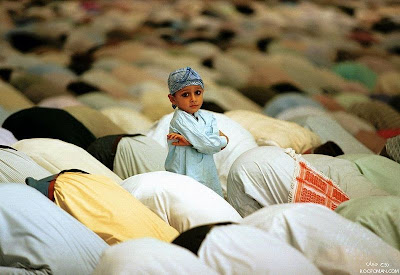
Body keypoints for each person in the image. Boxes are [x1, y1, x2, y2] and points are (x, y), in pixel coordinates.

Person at [165, 67, 228, 197]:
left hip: (207, 173)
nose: (193, 99)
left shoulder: (207, 117)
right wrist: (222, 140)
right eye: (185, 95)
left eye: (198, 93)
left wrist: (191, 142)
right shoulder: (180, 120)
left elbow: (209, 144)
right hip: (187, 174)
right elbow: (209, 145)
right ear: (172, 99)